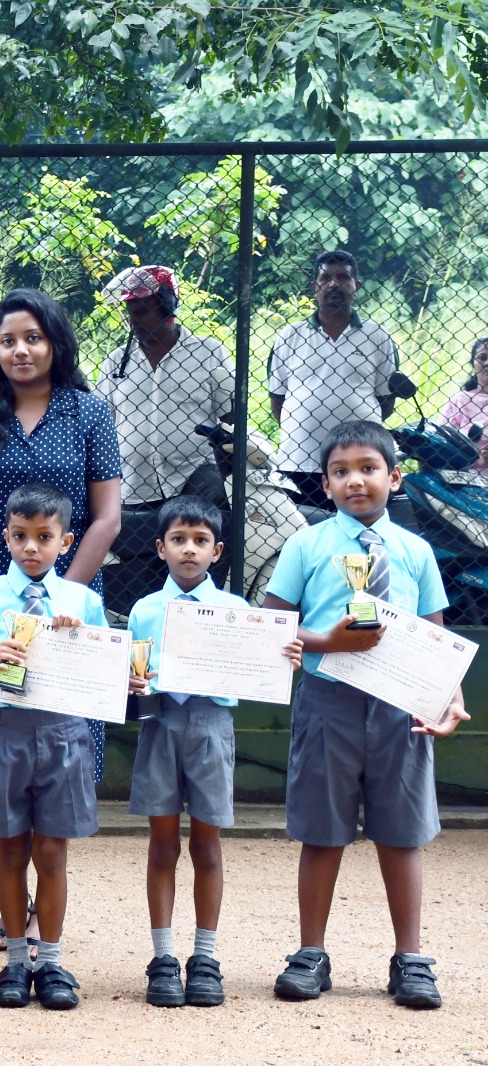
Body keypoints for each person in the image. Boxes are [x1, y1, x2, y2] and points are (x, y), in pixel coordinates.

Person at [262, 420, 469, 1010]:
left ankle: (410, 958)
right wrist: (328, 642)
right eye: (341, 472)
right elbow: (275, 626)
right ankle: (310, 954)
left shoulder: (416, 552)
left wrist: (448, 698)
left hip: (403, 707)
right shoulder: (307, 545)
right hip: (329, 702)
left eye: (368, 468)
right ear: (325, 485)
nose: (355, 480)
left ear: (394, 477)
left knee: (401, 833)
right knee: (321, 830)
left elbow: (437, 638)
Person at [0, 288, 121, 949]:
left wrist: (59, 599)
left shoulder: (88, 413)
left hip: (68, 596)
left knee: (62, 743)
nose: (20, 350)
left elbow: (106, 516)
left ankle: (44, 918)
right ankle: (10, 907)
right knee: (0, 738)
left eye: (33, 338)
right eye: (6, 340)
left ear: (55, 343)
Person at [125, 495, 302, 1009]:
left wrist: (282, 657)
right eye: (178, 540)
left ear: (217, 551)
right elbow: (130, 674)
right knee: (162, 844)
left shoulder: (236, 612)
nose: (189, 550)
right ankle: (162, 957)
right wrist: (131, 682)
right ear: (160, 548)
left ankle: (205, 957)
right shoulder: (144, 610)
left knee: (206, 842)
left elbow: (259, 668)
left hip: (210, 726)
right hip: (159, 725)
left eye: (200, 541)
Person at [0, 483, 105, 1011]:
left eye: (44, 537)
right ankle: (16, 961)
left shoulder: (83, 601)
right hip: (7, 731)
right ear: (6, 537)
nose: (31, 548)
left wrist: (74, 638)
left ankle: (53, 960)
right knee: (11, 848)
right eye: (20, 536)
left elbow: (102, 670)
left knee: (53, 851)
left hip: (64, 732)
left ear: (66, 542)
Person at [94, 266, 232, 582]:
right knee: (139, 554)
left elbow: (230, 417)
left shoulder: (207, 353)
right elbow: (102, 420)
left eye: (143, 311)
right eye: (130, 312)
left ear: (168, 305)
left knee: (216, 502)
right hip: (134, 479)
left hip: (192, 474)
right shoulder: (118, 361)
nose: (134, 320)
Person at [267, 251, 398, 509]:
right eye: (326, 278)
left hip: (358, 466)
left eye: (343, 277)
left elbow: (386, 401)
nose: (334, 284)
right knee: (302, 532)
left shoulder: (377, 336)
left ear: (356, 286)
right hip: (299, 460)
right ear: (315, 287)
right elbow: (277, 400)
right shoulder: (290, 335)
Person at [438, 337, 488, 470]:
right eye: (482, 358)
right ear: (473, 364)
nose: (487, 363)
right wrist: (475, 458)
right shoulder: (459, 401)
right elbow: (441, 446)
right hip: (464, 480)